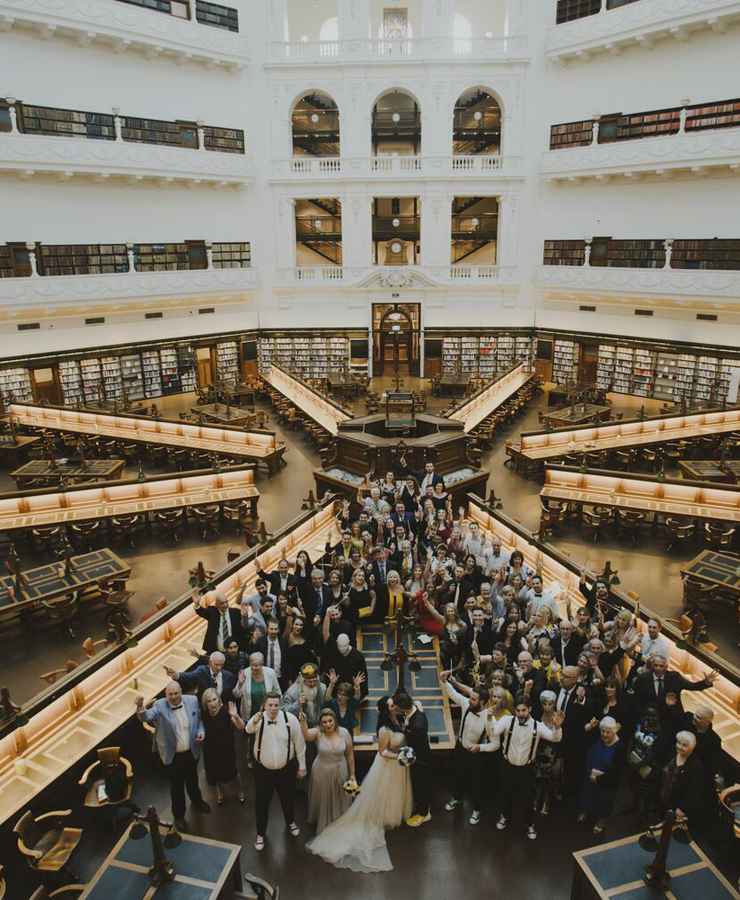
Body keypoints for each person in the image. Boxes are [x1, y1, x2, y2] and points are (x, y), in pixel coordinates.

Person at [305, 698, 413, 872]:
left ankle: (390, 815)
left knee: (393, 794)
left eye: (395, 703)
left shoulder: (399, 719)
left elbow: (349, 755)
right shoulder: (384, 729)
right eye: (392, 705)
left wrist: (404, 752)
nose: (396, 706)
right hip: (386, 764)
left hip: (396, 767)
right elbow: (382, 751)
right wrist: (400, 756)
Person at [229, 692, 306, 852]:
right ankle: (260, 833)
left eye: (276, 705)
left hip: (286, 769)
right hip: (263, 771)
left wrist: (302, 766)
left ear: (280, 705)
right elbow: (248, 730)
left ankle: (290, 822)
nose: (273, 708)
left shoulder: (290, 720)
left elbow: (300, 744)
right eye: (270, 705)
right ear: (264, 705)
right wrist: (253, 720)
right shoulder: (258, 718)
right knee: (262, 803)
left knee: (288, 799)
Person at [135, 681, 210, 831]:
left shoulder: (192, 700)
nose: (174, 697)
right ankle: (179, 816)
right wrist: (140, 707)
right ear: (166, 694)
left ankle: (197, 802)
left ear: (181, 692)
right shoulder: (160, 706)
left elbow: (199, 720)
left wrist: (201, 731)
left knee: (193, 781)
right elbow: (145, 717)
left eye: (176, 693)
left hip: (191, 751)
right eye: (170, 694)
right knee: (176, 788)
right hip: (173, 756)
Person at [493, 694, 565, 840]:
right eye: (518, 710)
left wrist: (557, 727)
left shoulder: (537, 726)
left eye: (524, 710)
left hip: (526, 769)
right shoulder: (507, 721)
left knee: (527, 798)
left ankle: (530, 824)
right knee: (506, 793)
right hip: (508, 765)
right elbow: (494, 731)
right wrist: (489, 717)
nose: (520, 714)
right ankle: (505, 817)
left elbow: (555, 738)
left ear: (530, 709)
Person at [440, 671, 497, 825]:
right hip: (460, 748)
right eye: (471, 698)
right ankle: (457, 798)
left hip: (477, 755)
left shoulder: (488, 719)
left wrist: (480, 748)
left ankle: (477, 810)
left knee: (476, 784)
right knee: (458, 776)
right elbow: (452, 694)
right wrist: (444, 681)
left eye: (474, 699)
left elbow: (495, 744)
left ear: (483, 702)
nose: (470, 701)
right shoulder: (466, 704)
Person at [232, 652, 281, 803]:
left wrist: (276, 709)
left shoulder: (270, 673)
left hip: (266, 715)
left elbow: (278, 693)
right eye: (253, 665)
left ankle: (263, 761)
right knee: (251, 739)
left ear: (263, 663)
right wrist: (240, 683)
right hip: (249, 715)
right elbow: (236, 694)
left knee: (265, 739)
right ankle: (252, 760)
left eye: (258, 665)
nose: (255, 668)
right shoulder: (244, 674)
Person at [300, 707, 356, 834]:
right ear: (321, 724)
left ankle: (340, 820)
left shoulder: (344, 733)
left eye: (330, 721)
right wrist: (303, 721)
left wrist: (352, 774)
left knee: (340, 795)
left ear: (335, 720)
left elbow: (350, 754)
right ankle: (323, 820)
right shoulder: (318, 732)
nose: (328, 724)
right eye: (324, 722)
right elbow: (306, 735)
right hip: (321, 770)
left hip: (340, 769)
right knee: (323, 797)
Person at [577, 716, 625, 835]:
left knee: (604, 802)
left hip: (606, 782)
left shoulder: (620, 747)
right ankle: (585, 811)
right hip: (591, 776)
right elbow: (584, 740)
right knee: (588, 795)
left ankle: (601, 821)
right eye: (602, 731)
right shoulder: (597, 739)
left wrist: (599, 778)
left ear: (614, 731)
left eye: (608, 732)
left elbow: (616, 772)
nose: (604, 734)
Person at [396, 692, 432, 827]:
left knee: (421, 786)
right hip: (418, 757)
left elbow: (413, 742)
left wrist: (404, 731)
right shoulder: (413, 709)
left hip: (420, 760)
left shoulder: (418, 725)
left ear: (403, 708)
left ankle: (424, 814)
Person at [201, 688, 238, 805]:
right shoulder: (203, 715)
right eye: (209, 701)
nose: (212, 703)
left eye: (214, 699)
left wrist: (235, 717)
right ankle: (220, 793)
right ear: (205, 703)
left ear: (219, 700)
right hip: (210, 751)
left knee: (233, 774)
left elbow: (240, 727)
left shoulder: (226, 712)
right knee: (215, 775)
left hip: (226, 749)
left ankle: (239, 790)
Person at [165, 651, 236, 701]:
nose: (219, 668)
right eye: (216, 665)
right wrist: (176, 675)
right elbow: (189, 676)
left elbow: (231, 695)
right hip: (204, 709)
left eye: (221, 665)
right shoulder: (202, 671)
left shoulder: (228, 676)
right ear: (210, 663)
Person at [328, 634, 368, 699]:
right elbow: (329, 673)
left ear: (349, 642)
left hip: (353, 691)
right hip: (337, 692)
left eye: (344, 646)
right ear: (337, 643)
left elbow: (362, 677)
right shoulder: (332, 654)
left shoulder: (358, 657)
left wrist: (360, 693)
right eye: (340, 646)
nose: (342, 648)